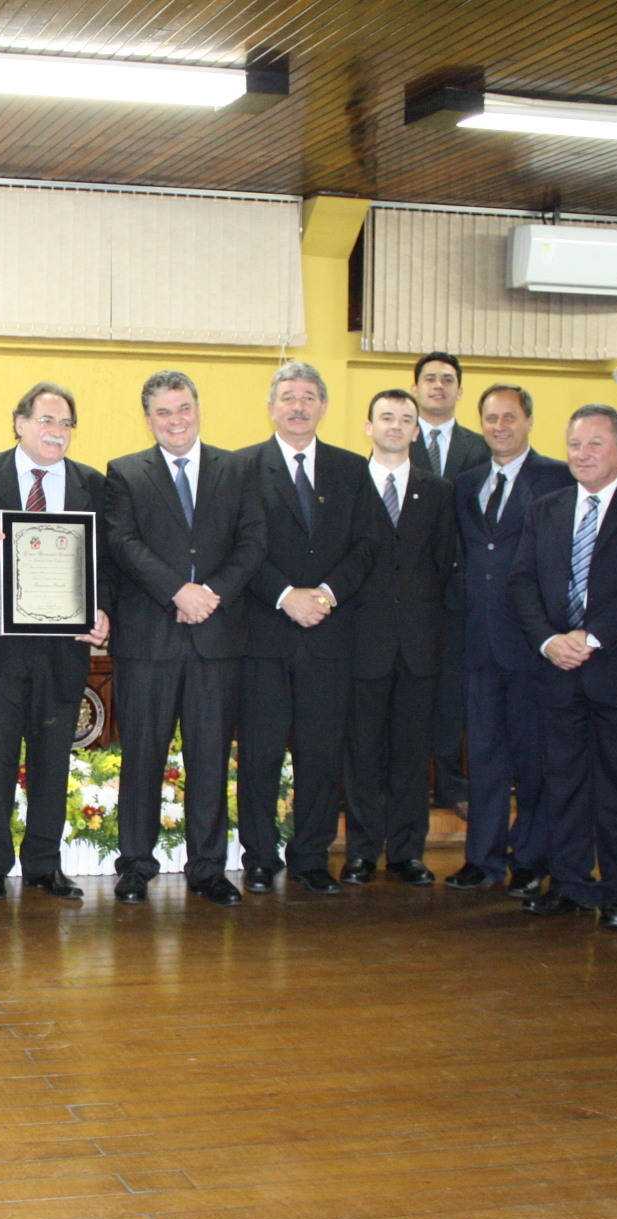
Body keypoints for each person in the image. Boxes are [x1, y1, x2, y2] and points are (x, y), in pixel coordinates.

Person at [103, 371, 265, 905]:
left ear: (198, 408)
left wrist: (210, 593)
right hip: (148, 640)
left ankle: (209, 867)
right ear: (148, 419)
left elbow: (252, 541)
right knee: (142, 756)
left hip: (217, 639)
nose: (176, 420)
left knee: (210, 756)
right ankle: (135, 864)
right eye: (164, 413)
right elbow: (123, 543)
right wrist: (177, 591)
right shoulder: (125, 473)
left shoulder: (238, 468)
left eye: (184, 408)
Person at [511, 404, 617, 930]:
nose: (583, 454)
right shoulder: (546, 508)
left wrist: (591, 636)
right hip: (556, 671)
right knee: (564, 783)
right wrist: (550, 640)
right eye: (575, 444)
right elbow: (523, 583)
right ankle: (571, 884)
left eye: (595, 444)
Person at [236, 360, 384, 895]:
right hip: (264, 635)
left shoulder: (351, 469)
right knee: (260, 750)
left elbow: (367, 546)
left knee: (322, 752)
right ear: (272, 406)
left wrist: (324, 595)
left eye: (308, 397)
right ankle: (258, 855)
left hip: (329, 633)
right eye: (288, 397)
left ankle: (312, 855)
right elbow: (239, 549)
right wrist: (284, 595)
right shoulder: (243, 467)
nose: (298, 406)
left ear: (323, 406)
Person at [0, 382, 109, 901]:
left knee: (52, 760)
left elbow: (104, 563)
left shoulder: (92, 482)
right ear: (20, 424)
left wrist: (102, 610)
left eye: (66, 424)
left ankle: (45, 863)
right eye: (47, 421)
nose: (57, 432)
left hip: (62, 648)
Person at [447, 384, 573, 895]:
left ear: (528, 421)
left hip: (532, 643)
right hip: (477, 643)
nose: (500, 426)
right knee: (485, 758)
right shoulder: (467, 482)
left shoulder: (558, 479)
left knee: (533, 759)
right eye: (491, 418)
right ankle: (482, 858)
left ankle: (531, 857)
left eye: (509, 417)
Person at [342, 389, 455, 887]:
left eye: (405, 419)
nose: (395, 425)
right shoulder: (345, 486)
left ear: (416, 430)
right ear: (368, 426)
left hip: (419, 645)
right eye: (386, 417)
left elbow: (447, 567)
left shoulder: (439, 490)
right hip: (359, 642)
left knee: (412, 753)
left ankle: (408, 851)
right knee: (362, 751)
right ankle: (363, 851)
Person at [407, 352, 489, 820]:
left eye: (448, 380)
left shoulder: (480, 448)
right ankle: (412, 781)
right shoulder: (396, 438)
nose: (438, 386)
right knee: (414, 692)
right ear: (415, 388)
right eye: (430, 379)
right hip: (411, 590)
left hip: (463, 592)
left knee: (453, 695)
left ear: (460, 390)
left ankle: (453, 783)